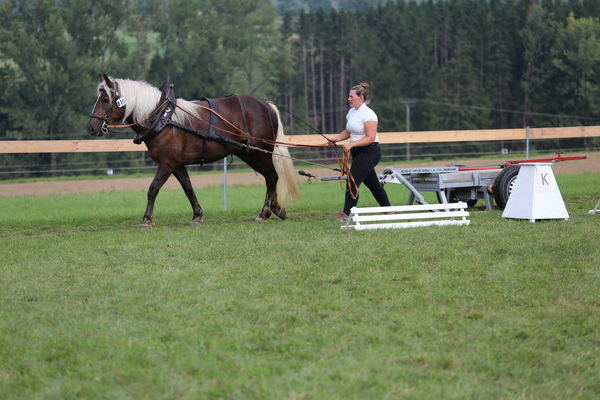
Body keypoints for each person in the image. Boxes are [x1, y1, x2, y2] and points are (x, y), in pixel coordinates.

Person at [327, 82, 391, 221]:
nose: (348, 99)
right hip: (358, 152)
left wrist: (351, 145)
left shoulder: (369, 114)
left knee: (352, 180)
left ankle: (346, 214)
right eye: (348, 96)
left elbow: (370, 137)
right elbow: (349, 131)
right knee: (373, 185)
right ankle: (388, 209)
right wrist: (336, 139)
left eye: (351, 96)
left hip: (370, 151)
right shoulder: (351, 112)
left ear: (361, 97)